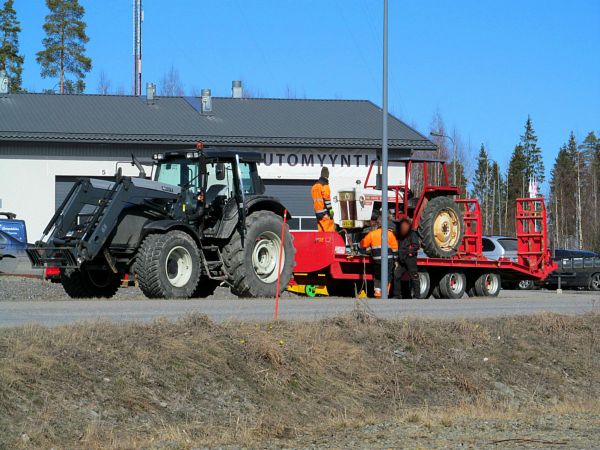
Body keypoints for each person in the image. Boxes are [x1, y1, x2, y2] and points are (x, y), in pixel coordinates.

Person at [360, 214, 398, 298]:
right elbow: (395, 248)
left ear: (377, 224)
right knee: (388, 276)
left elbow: (363, 244)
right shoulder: (390, 234)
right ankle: (385, 293)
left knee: (377, 276)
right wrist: (395, 260)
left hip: (377, 260)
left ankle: (377, 293)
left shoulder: (372, 234)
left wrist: (362, 246)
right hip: (388, 260)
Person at [393, 218, 421, 299]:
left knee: (414, 276)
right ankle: (397, 295)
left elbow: (416, 246)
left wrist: (409, 252)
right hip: (401, 258)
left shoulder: (412, 234)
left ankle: (417, 296)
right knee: (396, 275)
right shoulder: (399, 234)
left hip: (410, 259)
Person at [311, 167, 335, 232]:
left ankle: (320, 243)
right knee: (328, 234)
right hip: (325, 214)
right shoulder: (325, 186)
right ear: (327, 175)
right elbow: (327, 201)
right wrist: (331, 211)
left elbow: (315, 201)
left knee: (321, 234)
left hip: (318, 215)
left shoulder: (314, 187)